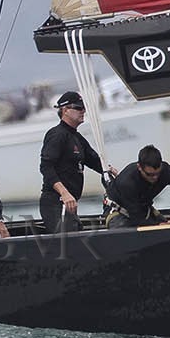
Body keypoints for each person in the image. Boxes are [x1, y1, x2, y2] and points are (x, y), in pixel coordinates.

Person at [38, 91, 116, 234]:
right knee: (69, 242)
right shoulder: (57, 135)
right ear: (65, 110)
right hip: (56, 202)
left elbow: (95, 161)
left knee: (78, 236)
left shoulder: (77, 137)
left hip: (70, 203)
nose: (83, 111)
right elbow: (46, 167)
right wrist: (64, 193)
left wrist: (112, 172)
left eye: (84, 108)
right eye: (79, 108)